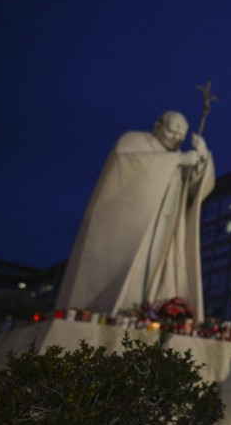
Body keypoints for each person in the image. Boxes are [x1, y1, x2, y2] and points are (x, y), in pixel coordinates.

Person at [55, 111, 215, 320]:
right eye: (172, 130)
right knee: (133, 267)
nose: (176, 138)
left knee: (154, 269)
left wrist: (203, 158)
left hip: (164, 223)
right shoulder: (133, 142)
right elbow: (130, 164)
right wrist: (177, 160)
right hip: (133, 223)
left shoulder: (177, 158)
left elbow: (194, 189)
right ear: (157, 124)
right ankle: (118, 309)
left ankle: (143, 311)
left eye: (181, 135)